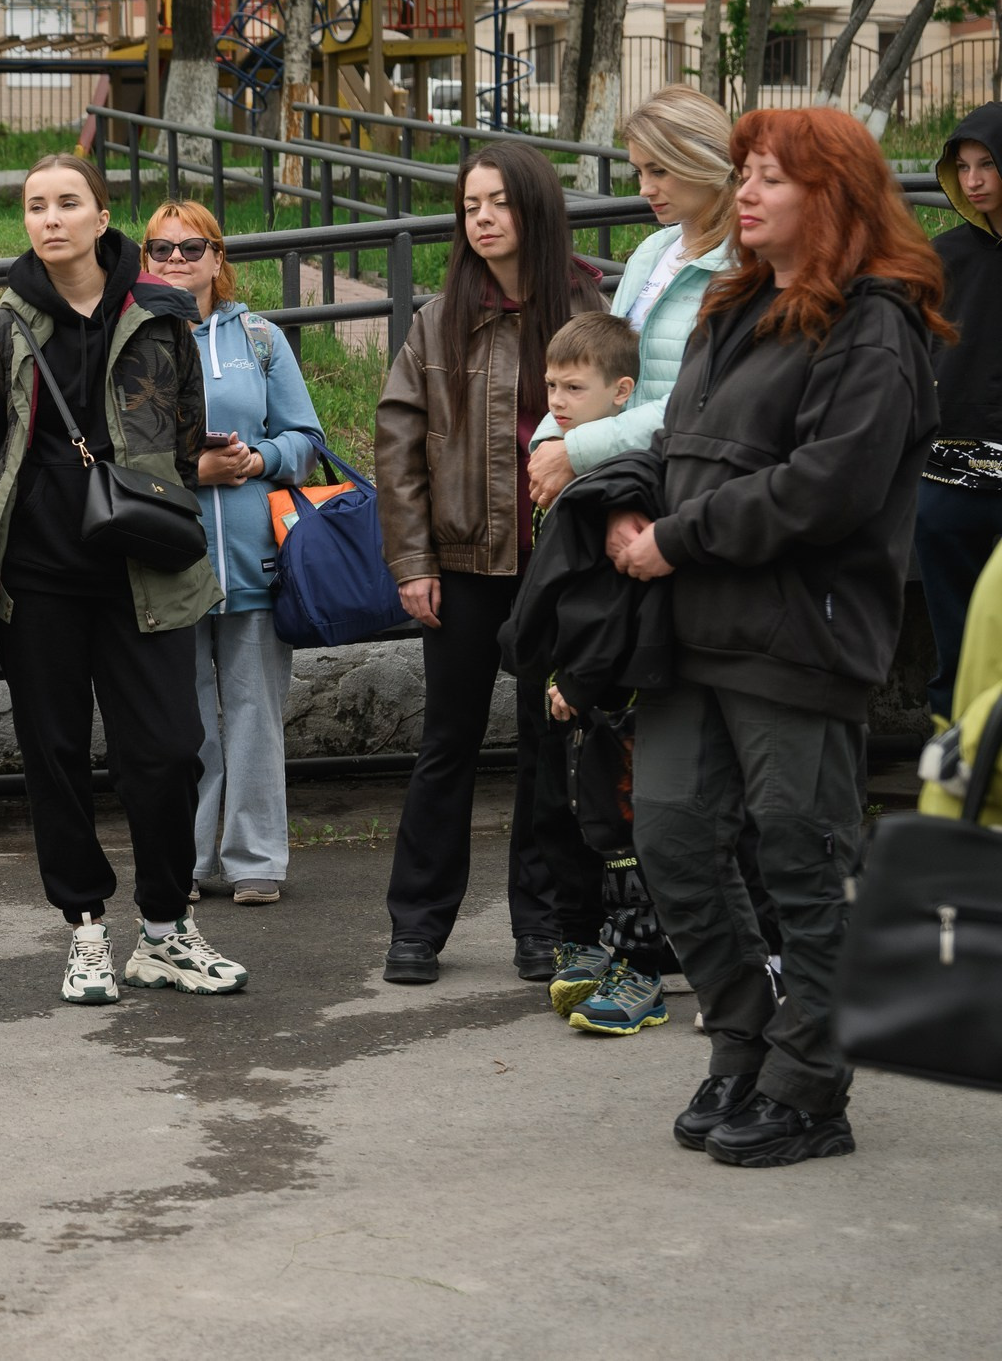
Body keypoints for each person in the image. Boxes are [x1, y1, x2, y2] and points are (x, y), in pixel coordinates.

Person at [614, 107, 948, 1167]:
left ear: (833, 197)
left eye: (769, 178)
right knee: (670, 841)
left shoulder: (874, 325)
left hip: (798, 637)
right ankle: (743, 1039)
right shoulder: (732, 302)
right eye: (745, 174)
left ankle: (811, 1085)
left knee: (802, 865)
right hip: (692, 629)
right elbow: (679, 441)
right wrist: (622, 508)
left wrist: (677, 536)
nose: (743, 193)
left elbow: (826, 490)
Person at [0, 154, 249, 1006]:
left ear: (101, 215)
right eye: (36, 205)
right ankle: (85, 926)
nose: (51, 219)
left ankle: (165, 930)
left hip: (142, 569)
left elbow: (185, 429)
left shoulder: (158, 309)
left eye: (67, 203)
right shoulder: (5, 325)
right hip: (39, 580)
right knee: (53, 753)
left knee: (165, 752)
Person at [375, 142, 605, 987]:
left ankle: (542, 925)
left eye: (497, 202)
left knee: (553, 744)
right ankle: (417, 925)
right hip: (464, 562)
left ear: (533, 207)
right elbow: (398, 448)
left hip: (558, 561)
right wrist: (412, 560)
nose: (480, 217)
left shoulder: (587, 304)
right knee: (448, 742)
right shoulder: (440, 318)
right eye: (469, 204)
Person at [136, 199, 320, 907]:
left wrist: (257, 459)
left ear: (219, 256)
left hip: (254, 564)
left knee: (253, 715)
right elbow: (118, 452)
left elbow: (306, 439)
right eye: (161, 249)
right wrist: (190, 471)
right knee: (180, 724)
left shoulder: (262, 339)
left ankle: (254, 860)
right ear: (143, 259)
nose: (176, 261)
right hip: (168, 563)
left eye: (191, 247)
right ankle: (182, 858)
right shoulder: (136, 339)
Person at [519, 312, 673, 1036]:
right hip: (567, 681)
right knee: (570, 821)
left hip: (608, 690)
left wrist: (579, 681)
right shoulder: (572, 467)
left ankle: (641, 966)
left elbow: (611, 603)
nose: (556, 399)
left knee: (620, 833)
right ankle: (582, 944)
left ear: (621, 394)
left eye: (573, 387)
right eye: (550, 383)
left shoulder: (616, 479)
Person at [528, 85, 738, 510]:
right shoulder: (653, 252)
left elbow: (704, 400)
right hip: (624, 485)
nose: (644, 188)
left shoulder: (742, 267)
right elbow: (602, 358)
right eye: (639, 172)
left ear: (701, 159)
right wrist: (552, 437)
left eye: (659, 171)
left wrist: (577, 451)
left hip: (690, 495)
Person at [923, 104, 1002, 718]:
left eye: (987, 164)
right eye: (963, 166)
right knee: (956, 630)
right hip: (949, 475)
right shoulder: (944, 255)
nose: (973, 180)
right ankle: (953, 746)